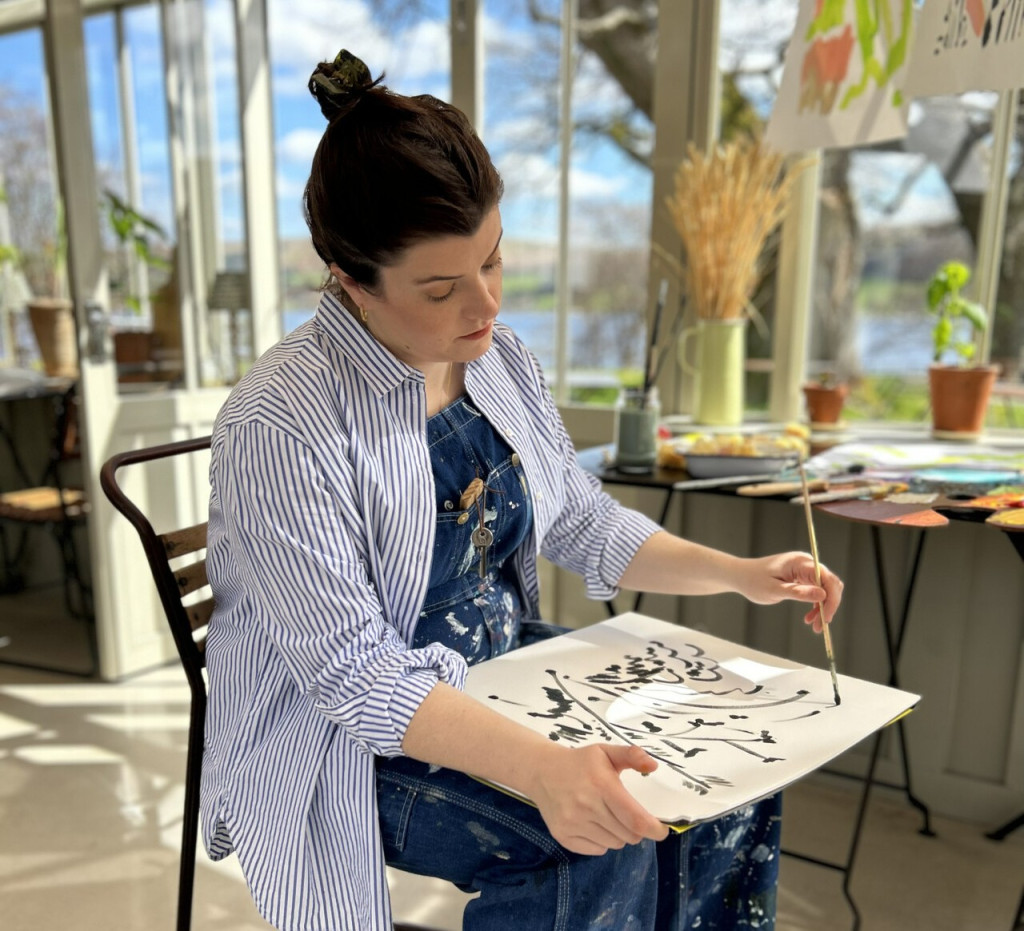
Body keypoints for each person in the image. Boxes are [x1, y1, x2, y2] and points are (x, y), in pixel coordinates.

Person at [200, 49, 844, 931]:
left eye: (494, 264)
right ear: (351, 280)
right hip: (349, 734)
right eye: (441, 287)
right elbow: (355, 676)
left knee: (727, 781)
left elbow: (579, 517)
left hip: (503, 669)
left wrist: (740, 571)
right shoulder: (282, 424)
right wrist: (542, 768)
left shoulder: (496, 359)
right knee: (591, 832)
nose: (487, 307)